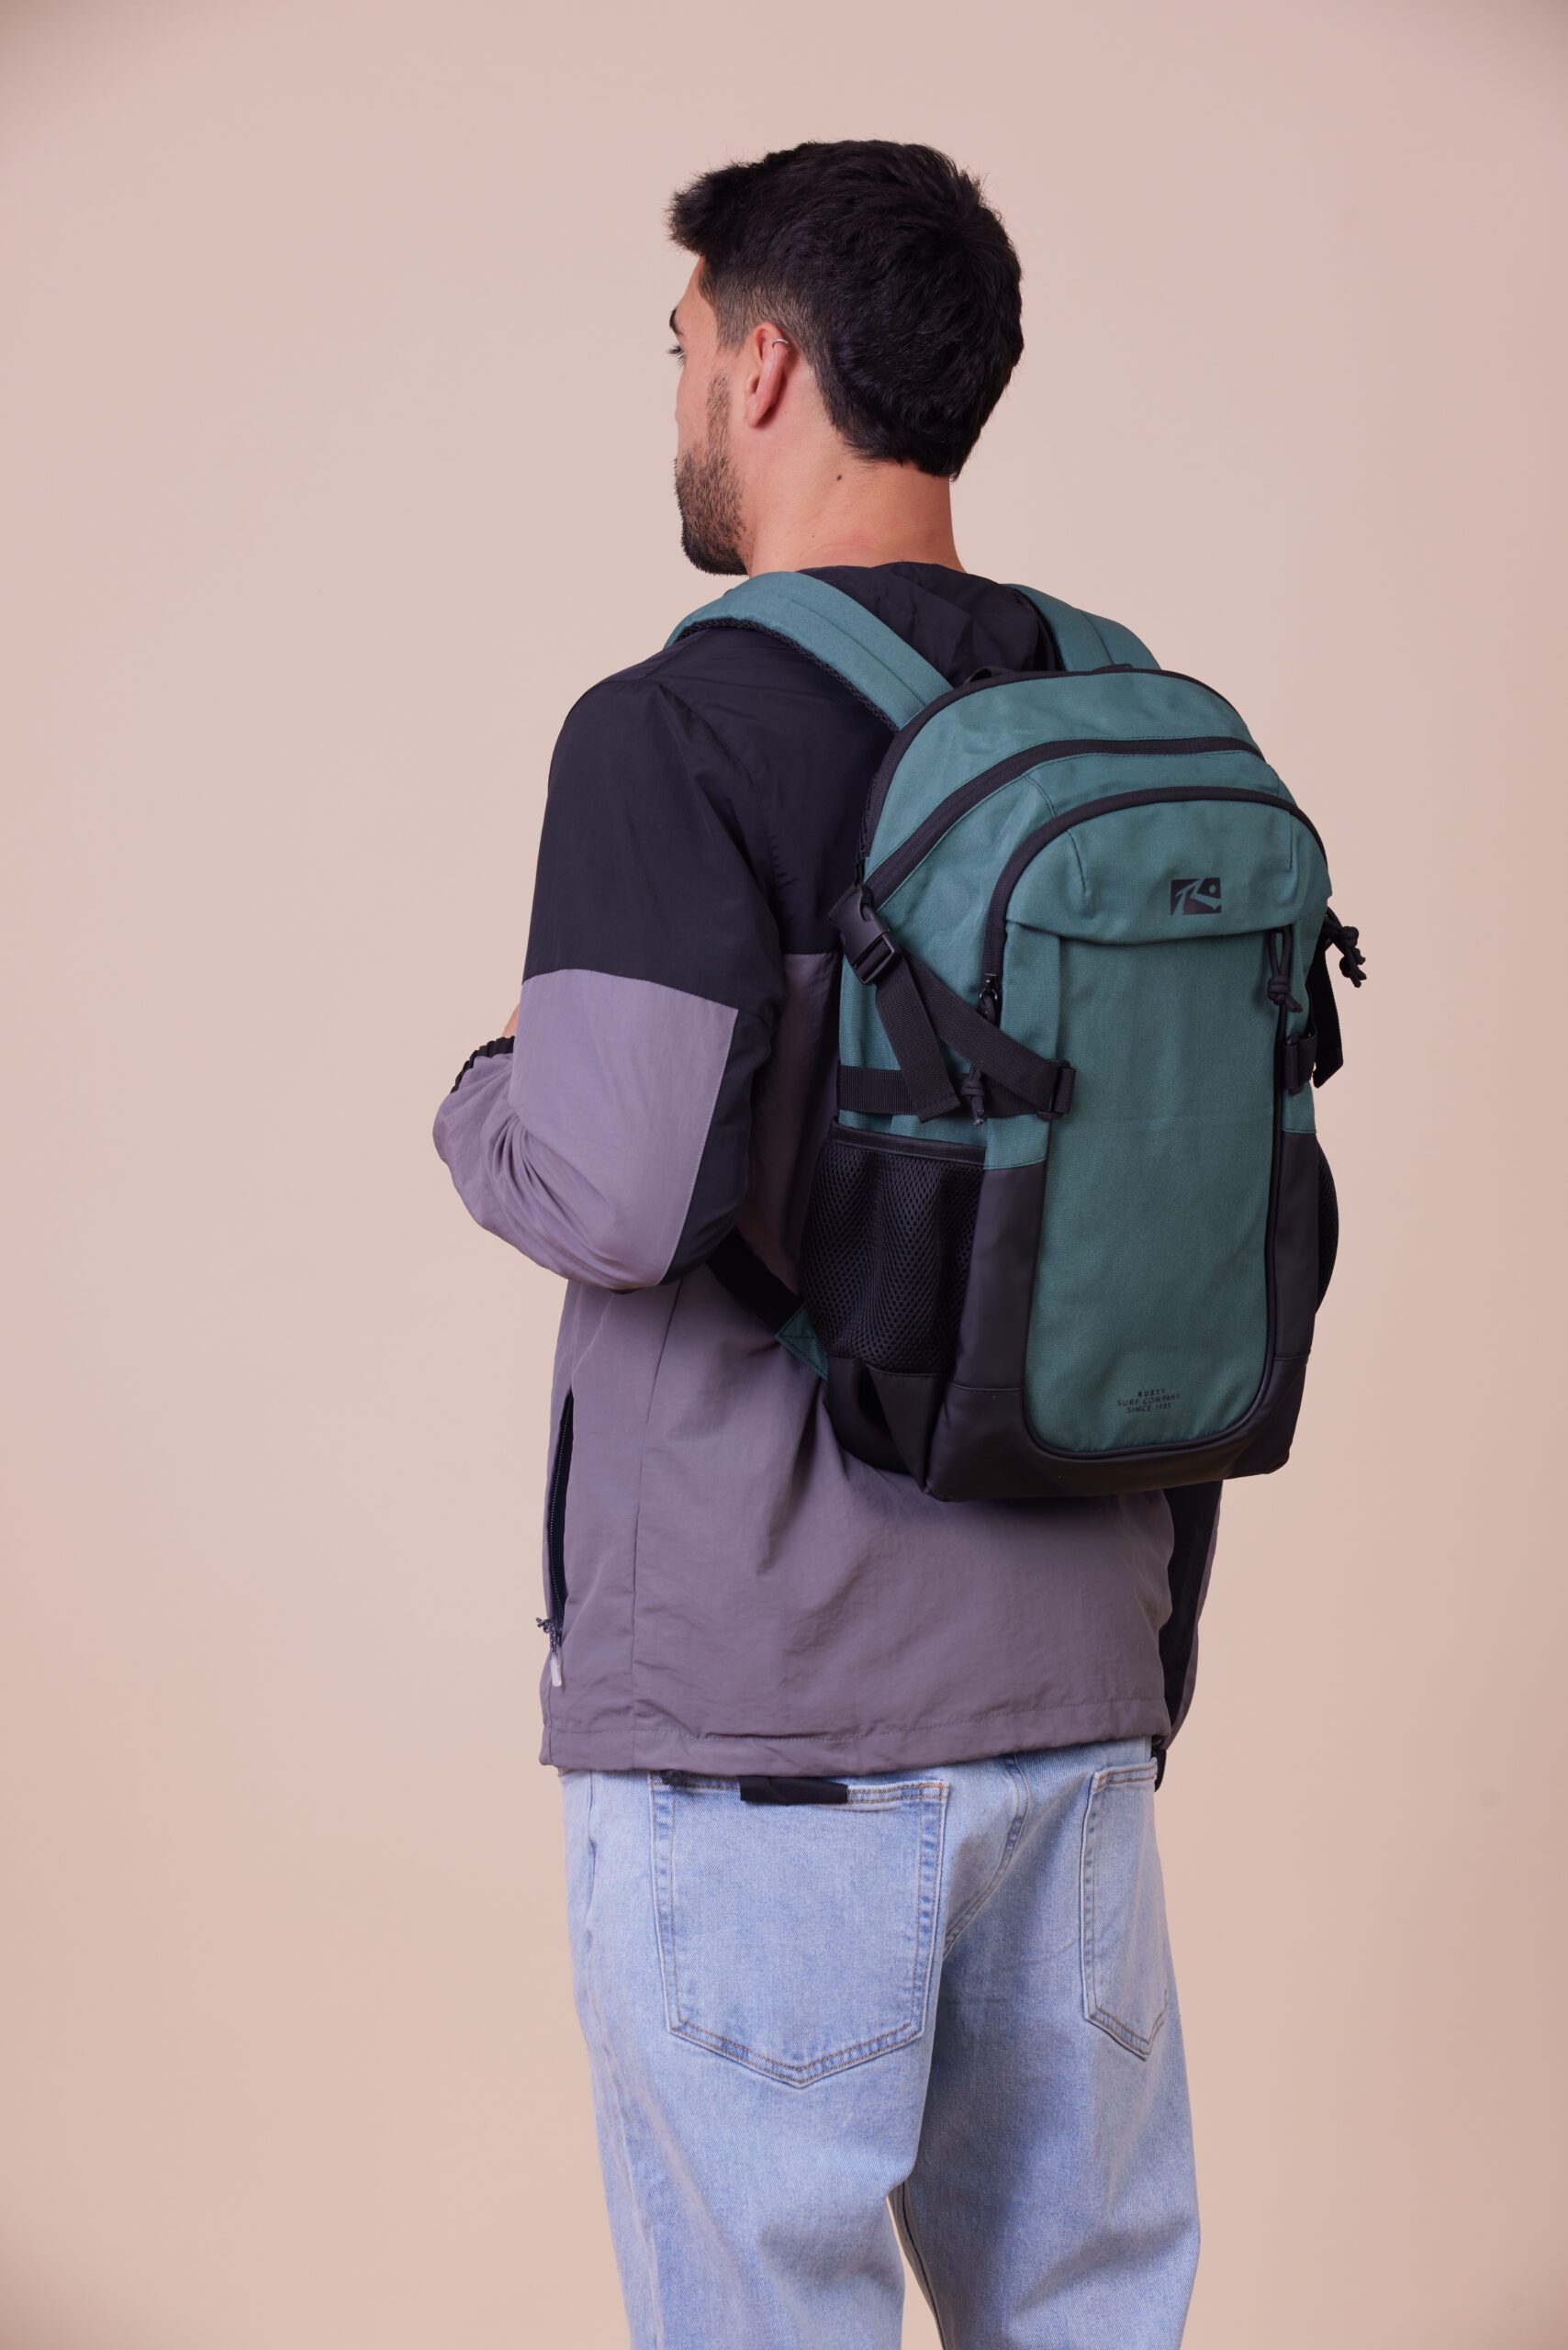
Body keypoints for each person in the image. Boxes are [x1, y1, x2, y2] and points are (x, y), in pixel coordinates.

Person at [434, 140, 1215, 2350]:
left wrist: (477, 1092)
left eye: (681, 344)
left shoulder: (673, 729)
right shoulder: (1130, 716)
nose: (679, 389)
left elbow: (613, 1185)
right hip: (1075, 1710)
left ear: (762, 365)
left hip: (768, 1733)